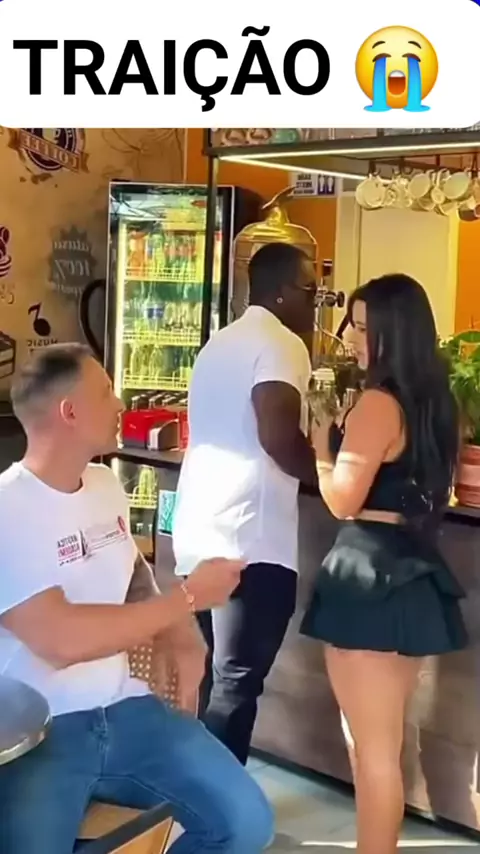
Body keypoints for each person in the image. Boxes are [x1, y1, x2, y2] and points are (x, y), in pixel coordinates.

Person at [0, 343, 274, 854]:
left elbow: (134, 579)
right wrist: (189, 597)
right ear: (69, 412)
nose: (120, 402)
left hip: (128, 711)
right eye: (106, 391)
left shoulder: (106, 485)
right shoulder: (7, 507)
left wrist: (184, 637)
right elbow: (60, 639)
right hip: (41, 731)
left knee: (246, 822)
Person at [301, 274, 468, 854]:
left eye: (361, 327)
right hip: (411, 568)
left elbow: (342, 498)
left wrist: (322, 448)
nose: (350, 337)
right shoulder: (440, 405)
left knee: (370, 752)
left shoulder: (378, 403)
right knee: (382, 747)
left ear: (392, 333)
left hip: (368, 577)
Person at [172, 242, 318, 765]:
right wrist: (326, 478)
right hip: (250, 541)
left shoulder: (219, 342)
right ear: (281, 292)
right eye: (310, 291)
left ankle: (196, 794)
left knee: (212, 677)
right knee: (235, 683)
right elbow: (277, 434)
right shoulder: (282, 343)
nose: (315, 303)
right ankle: (219, 803)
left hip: (199, 530)